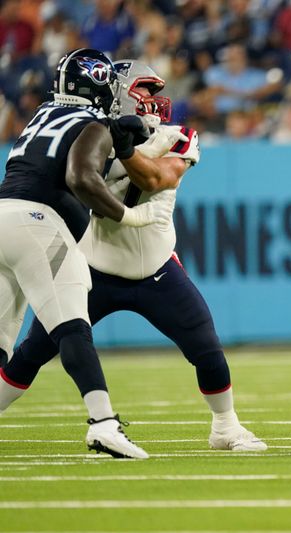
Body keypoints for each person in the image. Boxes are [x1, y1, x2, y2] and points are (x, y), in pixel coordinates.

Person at [1, 59, 267, 452]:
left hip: (155, 267)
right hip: (95, 262)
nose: (154, 99)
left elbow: (159, 177)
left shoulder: (177, 135)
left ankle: (225, 427)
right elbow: (75, 176)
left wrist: (124, 147)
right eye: (145, 90)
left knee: (206, 348)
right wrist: (115, 142)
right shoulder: (94, 133)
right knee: (30, 354)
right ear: (119, 92)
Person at [0, 48, 172, 459]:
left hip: (4, 216)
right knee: (73, 326)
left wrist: (122, 136)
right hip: (37, 225)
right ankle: (103, 423)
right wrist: (128, 216)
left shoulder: (40, 117)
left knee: (4, 342)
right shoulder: (93, 123)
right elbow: (81, 176)